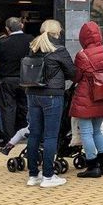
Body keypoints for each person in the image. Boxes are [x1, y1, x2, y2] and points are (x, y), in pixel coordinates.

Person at [22, 20, 76, 187]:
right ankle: (48, 176)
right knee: (51, 135)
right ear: (58, 32)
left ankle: (33, 175)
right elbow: (72, 73)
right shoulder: (59, 49)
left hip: (32, 94)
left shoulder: (33, 47)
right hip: (52, 95)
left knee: (34, 134)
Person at [72, 21, 103, 179]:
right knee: (97, 131)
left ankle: (92, 166)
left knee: (86, 132)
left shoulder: (82, 55)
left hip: (86, 97)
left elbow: (76, 76)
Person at [0, 17, 34, 145]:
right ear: (22, 25)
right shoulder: (31, 39)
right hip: (27, 79)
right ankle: (27, 133)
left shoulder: (2, 42)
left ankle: (9, 139)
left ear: (7, 29)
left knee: (8, 109)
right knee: (25, 107)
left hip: (7, 79)